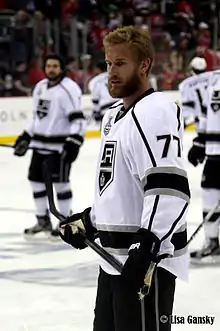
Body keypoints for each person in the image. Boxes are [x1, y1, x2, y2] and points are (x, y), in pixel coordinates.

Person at [59, 26, 190, 331]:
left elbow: (169, 189)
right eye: (108, 63)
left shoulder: (155, 112)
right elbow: (120, 189)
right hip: (113, 259)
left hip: (144, 265)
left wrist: (146, 248)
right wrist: (90, 222)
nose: (111, 73)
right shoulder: (114, 116)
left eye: (120, 63)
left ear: (144, 65)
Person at [13, 54, 86, 238]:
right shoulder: (40, 87)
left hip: (59, 148)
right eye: (48, 66)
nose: (51, 69)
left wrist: (74, 141)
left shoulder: (69, 88)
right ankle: (42, 220)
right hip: (39, 146)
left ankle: (65, 221)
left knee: (61, 183)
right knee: (35, 181)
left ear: (61, 68)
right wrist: (25, 136)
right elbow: (38, 118)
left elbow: (78, 119)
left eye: (55, 65)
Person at [189, 69, 220, 259]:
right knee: (209, 197)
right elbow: (207, 115)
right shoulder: (213, 80)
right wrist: (200, 144)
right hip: (214, 154)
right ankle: (212, 241)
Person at [178, 56, 210, 129]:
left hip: (199, 124)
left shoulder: (185, 84)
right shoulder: (213, 79)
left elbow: (187, 108)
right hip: (214, 121)